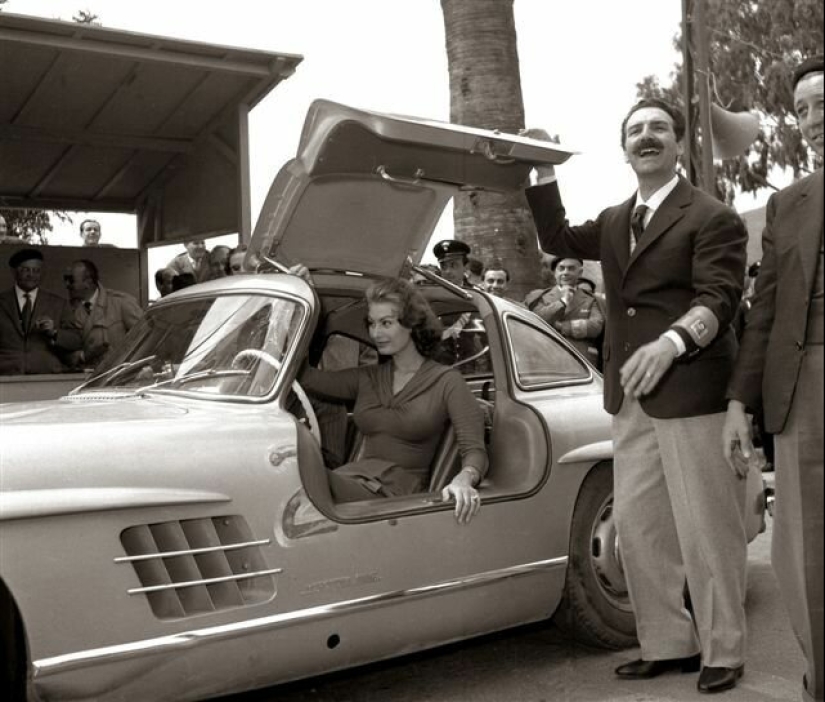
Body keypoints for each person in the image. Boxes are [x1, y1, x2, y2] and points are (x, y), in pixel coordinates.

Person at [525, 96, 749, 694]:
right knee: (640, 527)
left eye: (658, 128)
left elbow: (721, 297)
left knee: (707, 529)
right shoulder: (615, 218)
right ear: (624, 149)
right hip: (629, 399)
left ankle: (724, 649)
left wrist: (673, 342)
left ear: (678, 143)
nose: (646, 137)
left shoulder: (712, 217)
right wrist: (542, 170)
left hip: (692, 392)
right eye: (635, 131)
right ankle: (669, 644)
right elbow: (556, 235)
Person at [723, 55, 824, 702]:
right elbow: (762, 312)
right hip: (802, 386)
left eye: (824, 104)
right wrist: (739, 402)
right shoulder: (786, 205)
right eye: (803, 110)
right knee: (804, 552)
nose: (812, 120)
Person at [299, 276, 487, 524]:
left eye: (386, 323)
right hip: (353, 480)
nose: (376, 333)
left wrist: (464, 479)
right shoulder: (368, 376)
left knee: (297, 477)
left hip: (397, 495)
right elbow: (305, 377)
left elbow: (474, 449)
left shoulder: (447, 381)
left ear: (412, 324)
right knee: (292, 474)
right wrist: (300, 296)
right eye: (372, 323)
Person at [0, 248, 82, 375]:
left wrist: (54, 332)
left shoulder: (59, 304)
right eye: (26, 270)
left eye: (36, 271)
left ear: (42, 273)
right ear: (14, 272)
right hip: (5, 375)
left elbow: (76, 341)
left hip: (46, 374)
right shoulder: (2, 301)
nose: (31, 275)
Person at [64, 259, 143, 369]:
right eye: (66, 279)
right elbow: (68, 354)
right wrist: (82, 356)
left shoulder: (120, 303)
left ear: (88, 282)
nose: (67, 284)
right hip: (89, 376)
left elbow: (145, 338)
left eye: (71, 280)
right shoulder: (69, 311)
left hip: (119, 373)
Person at [527, 257, 605, 363]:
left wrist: (561, 326)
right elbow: (537, 320)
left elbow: (595, 326)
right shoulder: (541, 296)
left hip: (581, 361)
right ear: (555, 273)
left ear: (580, 273)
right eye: (561, 268)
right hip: (547, 358)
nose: (565, 272)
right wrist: (563, 301)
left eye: (571, 268)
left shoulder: (590, 299)